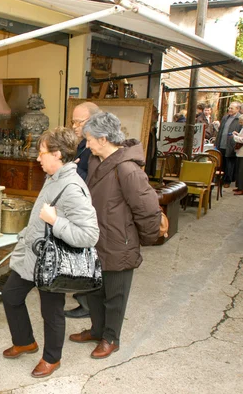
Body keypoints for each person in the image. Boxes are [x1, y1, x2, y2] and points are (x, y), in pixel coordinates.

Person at [1, 127, 99, 378]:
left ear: (57, 154)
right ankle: (25, 341)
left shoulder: (72, 187)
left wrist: (56, 222)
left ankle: (51, 358)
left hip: (52, 263)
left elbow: (89, 235)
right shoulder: (54, 177)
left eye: (41, 152)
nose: (37, 158)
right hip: (33, 257)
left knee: (51, 311)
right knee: (11, 295)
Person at [70, 112, 161, 359]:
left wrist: (146, 239)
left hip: (119, 243)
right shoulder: (98, 162)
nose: (86, 144)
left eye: (89, 139)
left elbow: (148, 208)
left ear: (103, 138)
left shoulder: (127, 169)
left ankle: (111, 338)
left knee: (115, 296)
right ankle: (97, 330)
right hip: (97, 239)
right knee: (95, 291)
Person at [65, 101, 101, 319]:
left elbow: (90, 179)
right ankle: (84, 300)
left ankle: (88, 304)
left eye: (79, 122)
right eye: (73, 122)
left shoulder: (95, 149)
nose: (75, 126)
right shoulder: (83, 145)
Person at [215, 101, 241, 188]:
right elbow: (220, 131)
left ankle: (227, 181)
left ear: (237, 109)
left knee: (230, 163)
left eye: (231, 108)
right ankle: (219, 179)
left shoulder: (240, 119)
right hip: (221, 143)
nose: (229, 109)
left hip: (232, 144)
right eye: (229, 108)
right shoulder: (225, 117)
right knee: (221, 162)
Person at [232, 116, 243, 194]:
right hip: (240, 152)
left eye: (241, 122)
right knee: (239, 170)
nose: (240, 123)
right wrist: (238, 134)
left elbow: (242, 139)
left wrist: (235, 137)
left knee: (241, 171)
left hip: (242, 152)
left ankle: (241, 188)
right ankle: (239, 186)